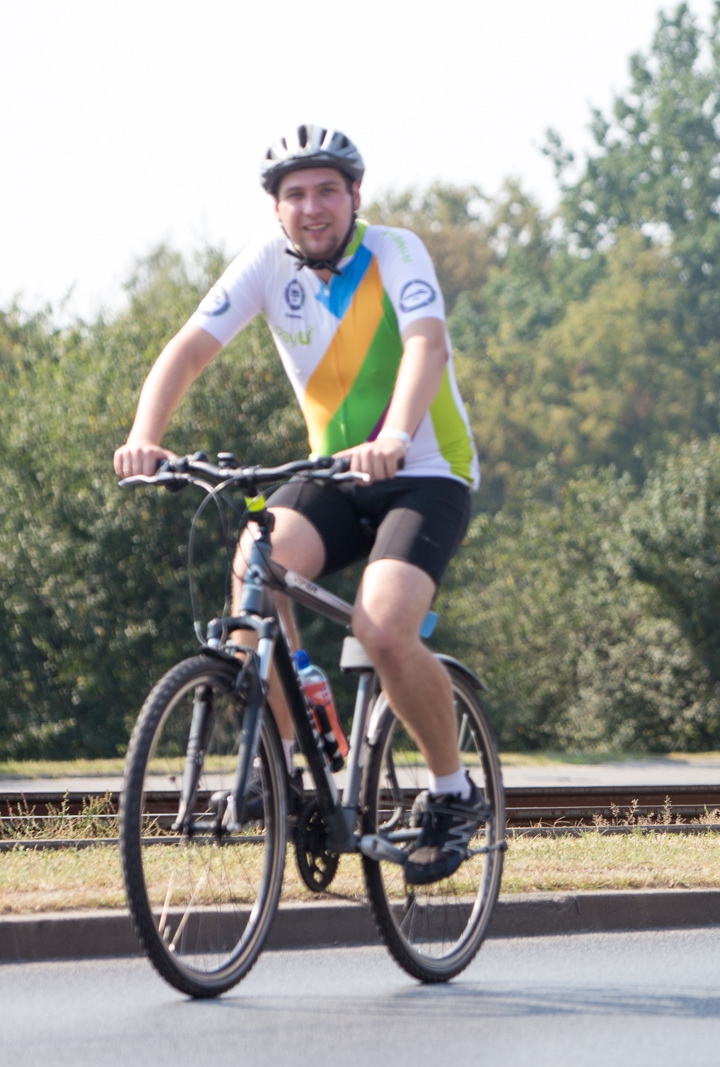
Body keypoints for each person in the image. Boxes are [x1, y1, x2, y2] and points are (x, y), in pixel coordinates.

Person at [112, 125, 485, 884]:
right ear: (276, 209)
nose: (312, 207)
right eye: (295, 195)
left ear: (355, 196)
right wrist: (144, 437)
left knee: (383, 625)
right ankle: (284, 756)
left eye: (326, 191)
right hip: (332, 473)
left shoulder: (395, 251)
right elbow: (188, 349)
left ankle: (454, 792)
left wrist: (397, 433)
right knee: (257, 561)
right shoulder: (265, 265)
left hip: (424, 470)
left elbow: (426, 345)